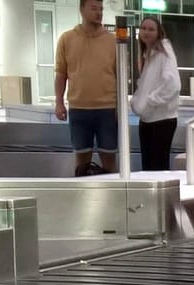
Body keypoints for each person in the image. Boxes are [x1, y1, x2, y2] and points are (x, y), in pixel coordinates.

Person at [54, 0, 118, 175]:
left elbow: (119, 76)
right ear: (82, 10)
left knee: (109, 158)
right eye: (94, 8)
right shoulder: (67, 39)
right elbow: (61, 73)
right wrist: (59, 102)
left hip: (107, 109)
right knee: (82, 160)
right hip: (79, 109)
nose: (99, 13)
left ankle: (111, 197)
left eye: (101, 9)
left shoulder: (112, 41)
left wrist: (120, 107)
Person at [131, 14, 179, 171]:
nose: (146, 32)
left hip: (161, 120)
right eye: (143, 28)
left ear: (159, 32)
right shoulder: (148, 53)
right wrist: (139, 103)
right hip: (148, 119)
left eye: (151, 29)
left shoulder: (164, 51)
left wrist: (149, 103)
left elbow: (173, 85)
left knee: (158, 168)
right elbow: (146, 85)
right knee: (148, 168)